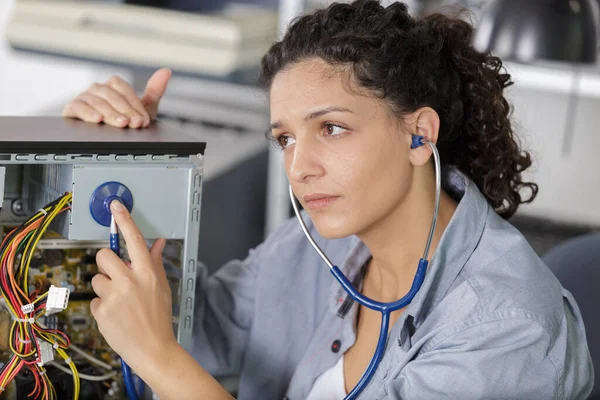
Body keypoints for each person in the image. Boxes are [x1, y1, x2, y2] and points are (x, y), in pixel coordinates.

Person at [62, 1, 594, 399]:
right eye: (286, 138)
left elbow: (165, 346)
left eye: (332, 128)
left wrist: (158, 358)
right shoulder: (323, 243)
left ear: (418, 136)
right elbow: (204, 327)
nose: (299, 167)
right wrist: (124, 161)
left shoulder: (506, 328)